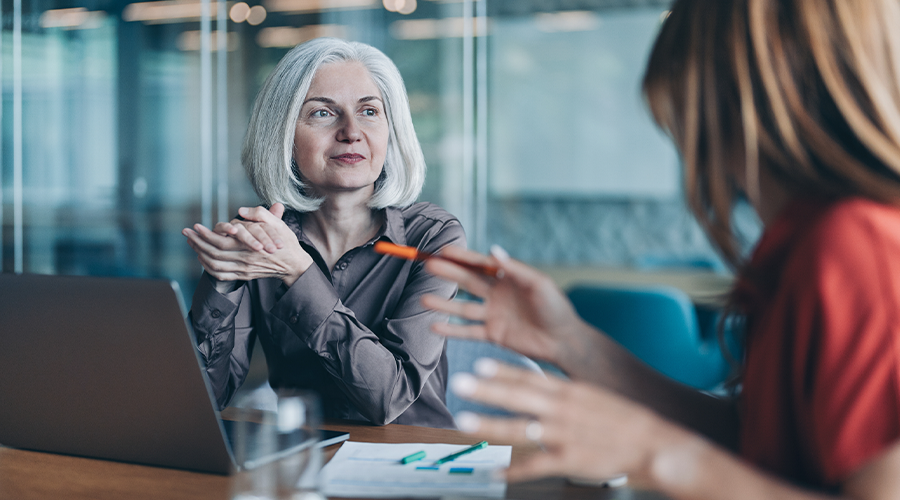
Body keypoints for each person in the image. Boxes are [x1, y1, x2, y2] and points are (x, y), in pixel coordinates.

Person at [421, 0, 900, 497]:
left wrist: (656, 453)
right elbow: (755, 445)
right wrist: (571, 341)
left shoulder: (859, 246)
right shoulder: (810, 240)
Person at [182, 38, 463, 428]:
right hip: (306, 462)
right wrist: (224, 281)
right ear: (283, 134)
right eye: (322, 113)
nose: (351, 132)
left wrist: (299, 275)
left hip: (412, 464)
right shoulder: (262, 237)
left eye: (369, 111)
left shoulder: (432, 238)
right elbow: (204, 399)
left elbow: (389, 397)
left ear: (391, 129)